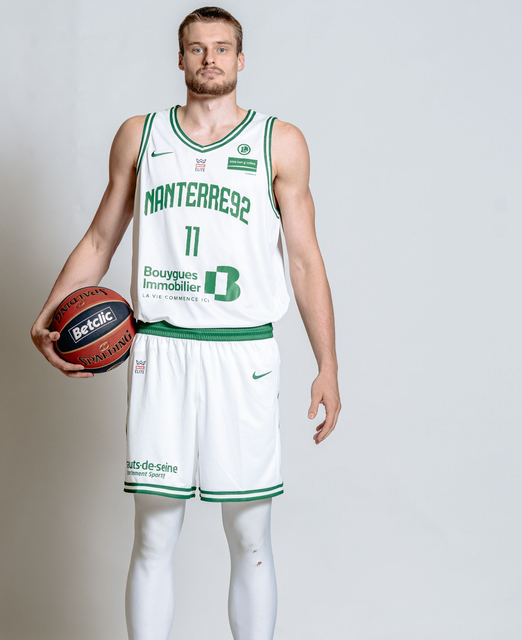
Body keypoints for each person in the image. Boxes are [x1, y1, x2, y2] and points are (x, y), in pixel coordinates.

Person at [31, 6, 341, 639]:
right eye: (197, 48)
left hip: (242, 352)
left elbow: (305, 260)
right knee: (153, 535)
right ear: (179, 59)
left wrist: (327, 365)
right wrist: (48, 312)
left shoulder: (278, 142)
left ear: (241, 59)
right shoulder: (140, 136)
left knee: (250, 535)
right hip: (161, 352)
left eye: (222, 48)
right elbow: (101, 237)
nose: (210, 59)